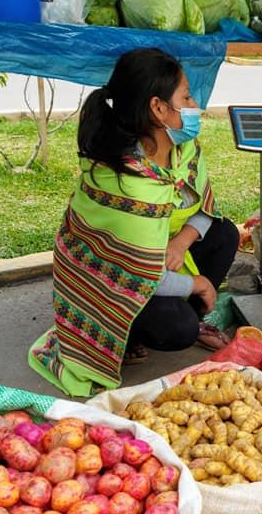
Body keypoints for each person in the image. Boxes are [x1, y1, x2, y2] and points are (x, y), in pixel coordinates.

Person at [29, 48, 238, 398]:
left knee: (225, 234)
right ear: (158, 108)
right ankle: (122, 334)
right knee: (178, 329)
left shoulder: (184, 151)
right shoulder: (125, 180)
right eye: (186, 96)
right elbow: (146, 277)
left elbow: (205, 207)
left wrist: (179, 242)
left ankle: (165, 315)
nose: (194, 104)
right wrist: (199, 283)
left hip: (158, 256)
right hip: (112, 276)